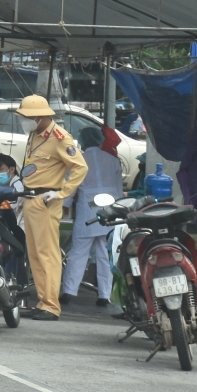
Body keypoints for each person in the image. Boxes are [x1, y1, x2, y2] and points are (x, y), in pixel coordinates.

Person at [15, 94, 86, 320]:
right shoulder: (35, 135)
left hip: (46, 200)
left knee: (48, 254)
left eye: (28, 117)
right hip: (30, 199)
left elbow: (80, 168)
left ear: (41, 116)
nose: (24, 121)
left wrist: (62, 193)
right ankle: (43, 301)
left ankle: (51, 306)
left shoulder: (59, 137)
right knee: (35, 254)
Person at [65, 126, 124, 314]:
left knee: (78, 253)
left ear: (81, 142)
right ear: (100, 140)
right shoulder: (113, 160)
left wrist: (64, 205)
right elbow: (118, 189)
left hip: (87, 211)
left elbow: (70, 187)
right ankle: (104, 295)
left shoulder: (78, 161)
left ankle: (68, 291)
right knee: (105, 256)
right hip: (110, 211)